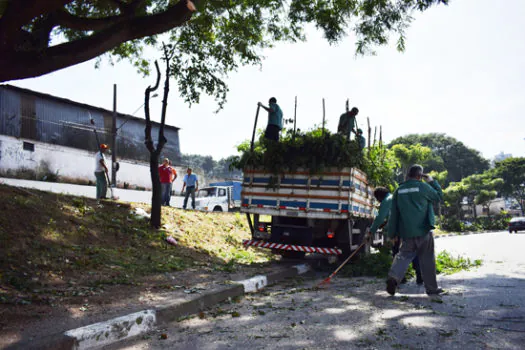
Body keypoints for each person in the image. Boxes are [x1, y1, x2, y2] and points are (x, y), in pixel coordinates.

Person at [386, 165, 444, 296]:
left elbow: (394, 214)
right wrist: (432, 181)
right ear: (420, 176)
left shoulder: (399, 190)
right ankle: (432, 289)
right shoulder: (423, 187)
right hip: (424, 231)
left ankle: (393, 278)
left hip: (407, 232)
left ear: (408, 175)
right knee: (427, 259)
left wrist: (392, 233)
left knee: (403, 256)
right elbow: (439, 197)